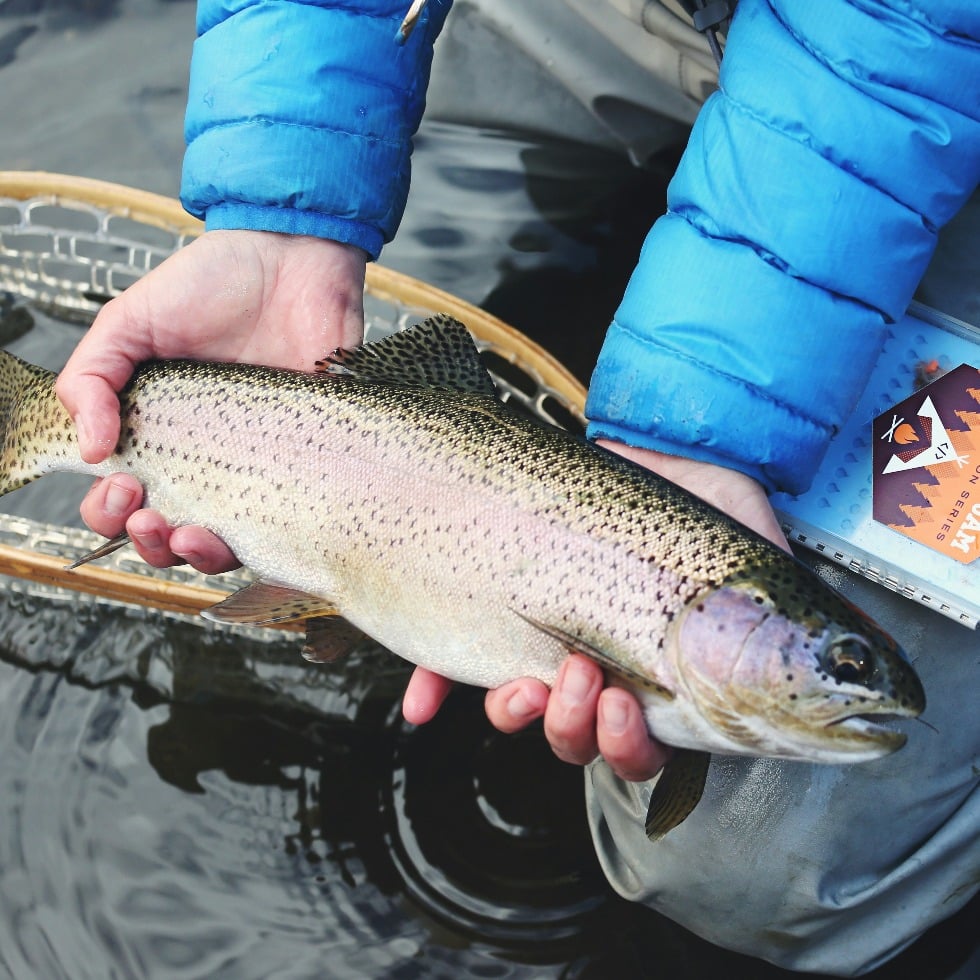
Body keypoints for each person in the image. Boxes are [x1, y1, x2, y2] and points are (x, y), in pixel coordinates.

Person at [53, 0, 980, 975]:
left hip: (926, 73)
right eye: (840, 659)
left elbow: (894, 42)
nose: (847, 680)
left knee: (756, 872)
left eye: (836, 659)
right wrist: (280, 207)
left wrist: (702, 424)